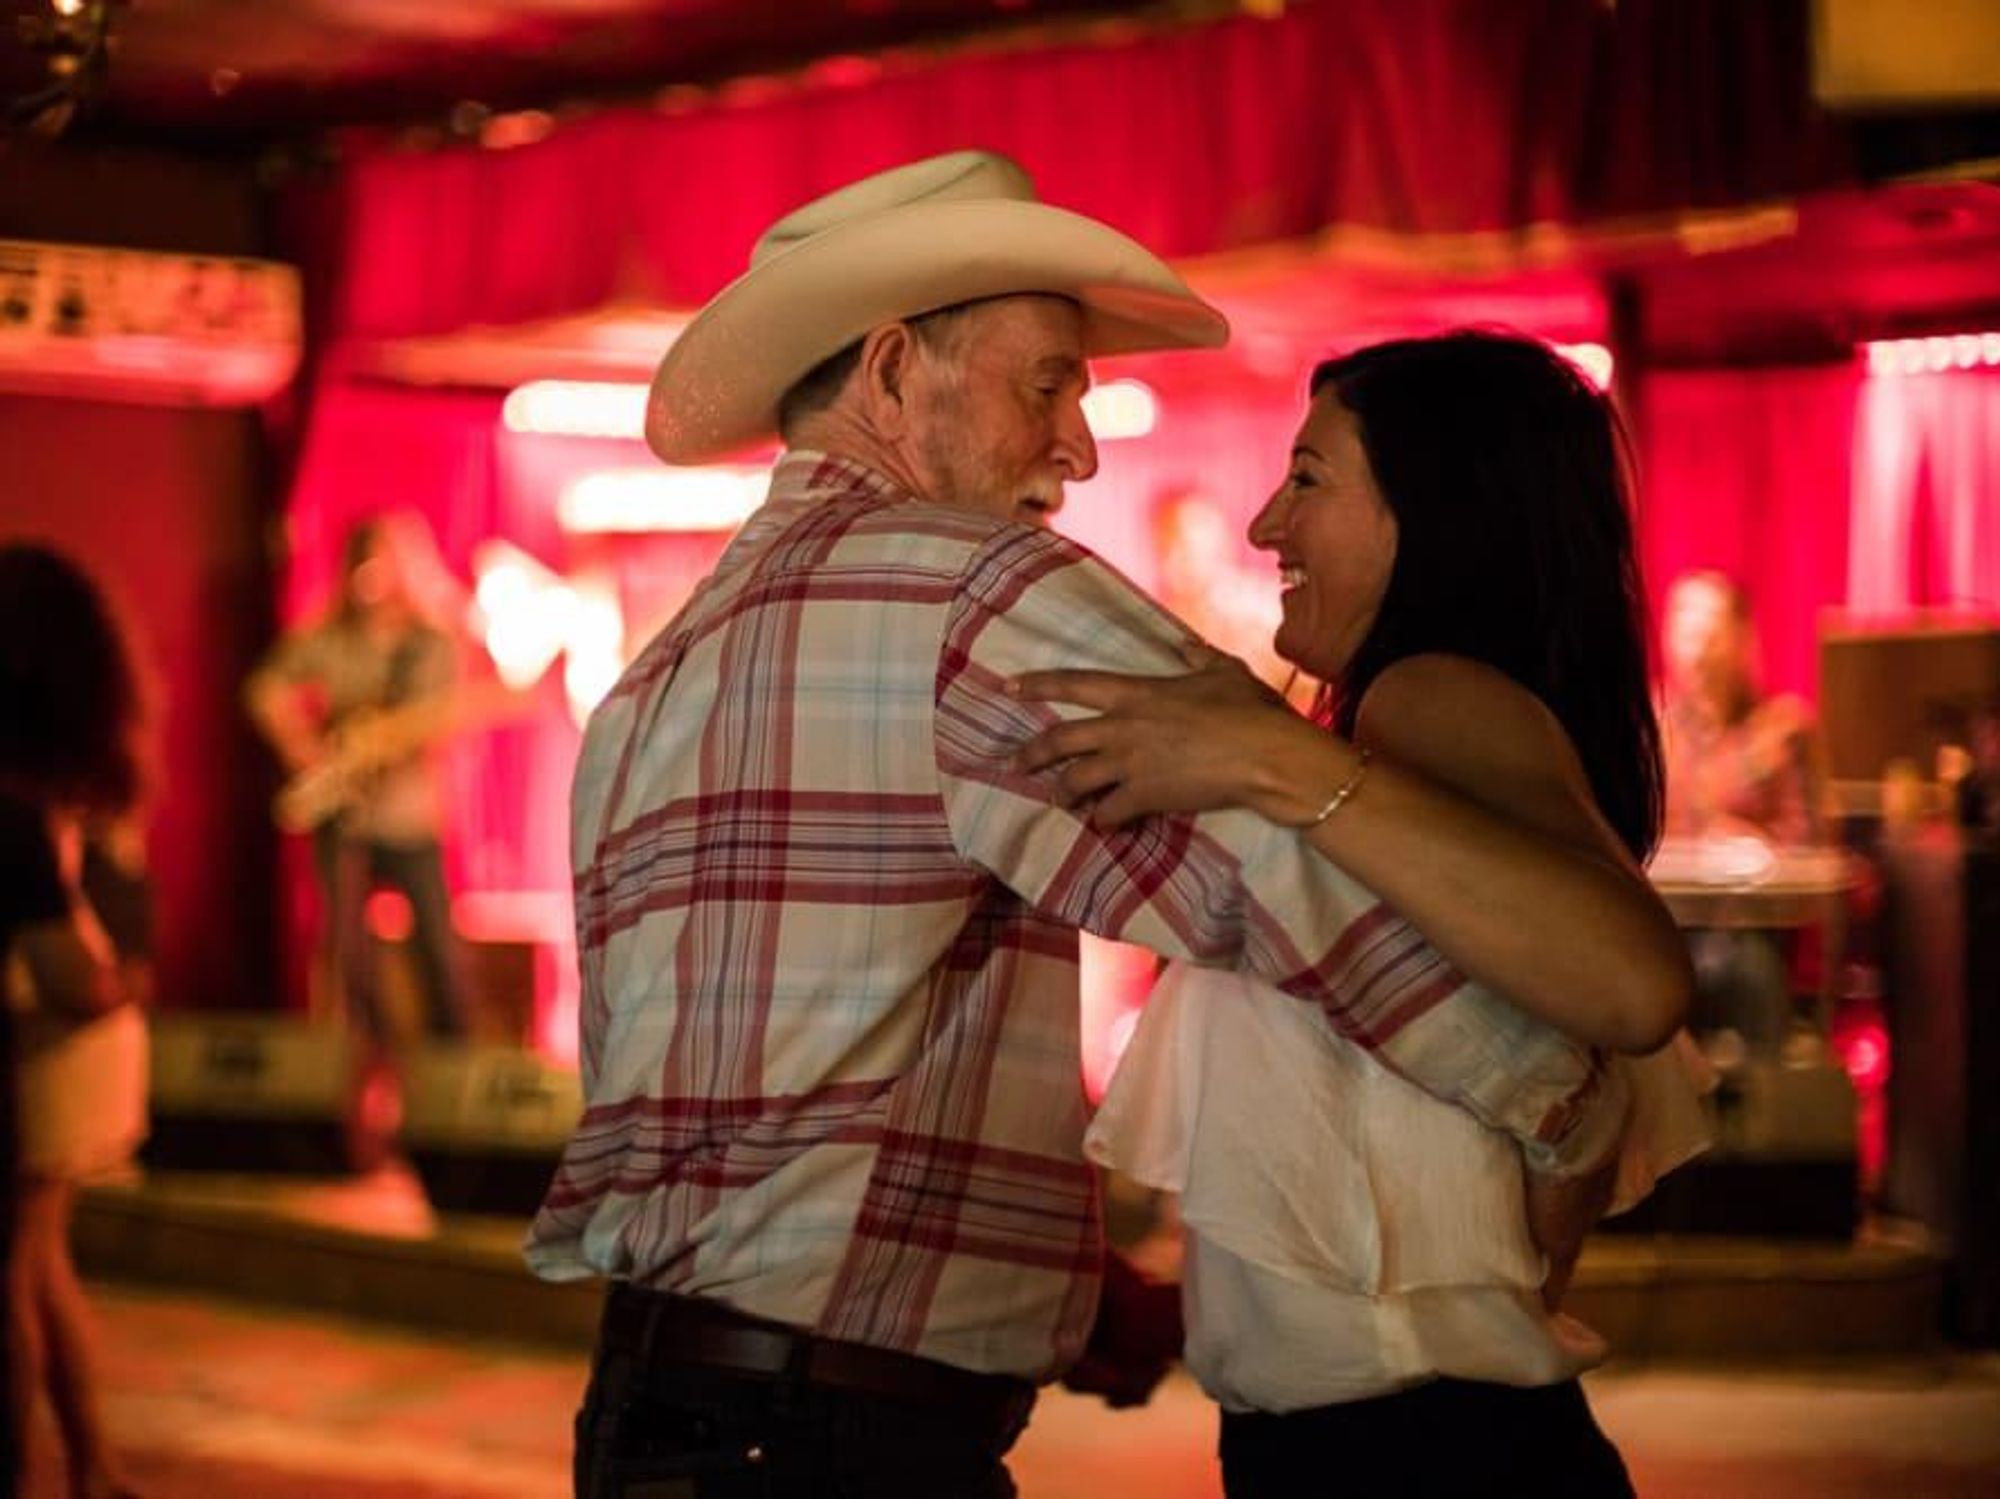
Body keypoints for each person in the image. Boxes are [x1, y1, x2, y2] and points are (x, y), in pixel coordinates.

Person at [527, 153, 1690, 1499]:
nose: (1080, 448)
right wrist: (1562, 1086)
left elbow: (775, 1103)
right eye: (1048, 385)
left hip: (656, 1412)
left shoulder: (662, 668)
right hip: (835, 1439)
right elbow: (1315, 900)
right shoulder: (975, 593)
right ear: (898, 370)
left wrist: (1083, 1301)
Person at [1013, 332, 1708, 1497]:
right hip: (1413, 1435)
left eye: (1310, 478)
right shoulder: (1424, 727)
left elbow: (1632, 984)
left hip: (1410, 1445)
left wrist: (1273, 760)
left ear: (1434, 509)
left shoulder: (1425, 695)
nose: (1264, 526)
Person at [0, 542, 151, 1499]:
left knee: (14, 1272)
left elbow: (74, 975)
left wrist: (117, 984)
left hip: (45, 1050)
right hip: (71, 1046)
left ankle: (46, 1467)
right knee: (38, 1266)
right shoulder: (69, 794)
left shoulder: (21, 810)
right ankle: (92, 1463)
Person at [246, 511, 471, 1046]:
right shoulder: (330, 638)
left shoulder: (430, 644)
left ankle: (456, 1073)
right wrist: (302, 748)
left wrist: (387, 741)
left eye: (384, 558)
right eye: (364, 557)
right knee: (350, 954)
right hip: (345, 818)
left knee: (437, 950)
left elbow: (432, 725)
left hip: (409, 819)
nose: (372, 572)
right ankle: (373, 1061)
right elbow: (264, 688)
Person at [1658, 569, 1824, 847]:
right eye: (1687, 636)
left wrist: (1757, 847)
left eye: (1710, 637)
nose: (1697, 654)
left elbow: (1814, 841)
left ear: (1742, 637)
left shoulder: (1783, 728)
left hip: (1759, 887)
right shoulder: (1650, 729)